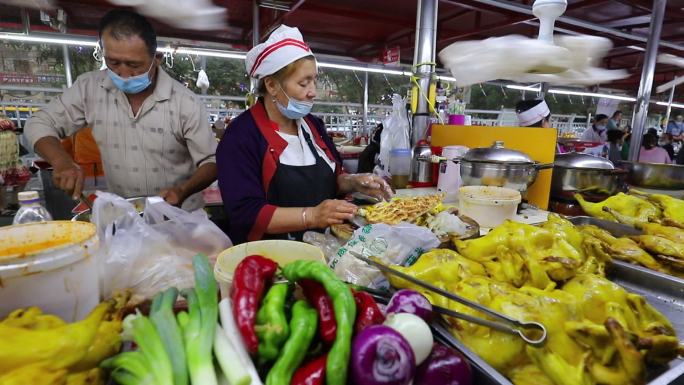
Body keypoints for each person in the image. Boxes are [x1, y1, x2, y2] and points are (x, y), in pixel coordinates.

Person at [24, 10, 217, 210]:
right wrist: (61, 161)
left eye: (134, 65)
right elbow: (39, 122)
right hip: (126, 217)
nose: (123, 73)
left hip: (181, 217)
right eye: (113, 62)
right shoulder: (89, 89)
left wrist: (182, 190)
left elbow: (212, 161)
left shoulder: (186, 103)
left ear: (156, 59)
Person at [216, 25, 392, 244]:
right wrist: (311, 216)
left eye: (314, 80)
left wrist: (353, 182)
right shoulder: (241, 136)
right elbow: (245, 214)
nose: (313, 91)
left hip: (324, 245)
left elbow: (332, 177)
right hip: (269, 256)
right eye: (303, 82)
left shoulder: (313, 125)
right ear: (271, 85)